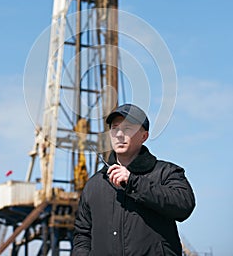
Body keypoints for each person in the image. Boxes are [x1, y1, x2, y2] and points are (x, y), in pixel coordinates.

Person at [72, 103, 196, 256]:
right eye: (115, 128)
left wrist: (133, 182)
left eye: (127, 129)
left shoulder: (166, 173)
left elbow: (184, 205)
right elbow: (82, 235)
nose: (119, 134)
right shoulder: (94, 185)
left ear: (144, 136)